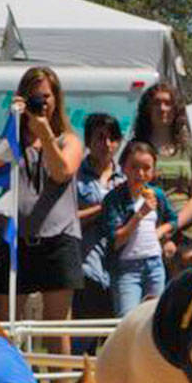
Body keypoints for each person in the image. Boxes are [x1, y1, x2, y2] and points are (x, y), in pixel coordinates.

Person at [0, 66, 84, 354]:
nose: (40, 104)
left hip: (59, 239)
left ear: (56, 99)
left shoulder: (68, 139)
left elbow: (62, 171)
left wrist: (44, 133)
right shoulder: (13, 142)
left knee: (55, 327)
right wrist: (14, 121)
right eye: (34, 98)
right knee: (7, 325)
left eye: (45, 97)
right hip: (16, 239)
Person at [130, 82, 192, 272]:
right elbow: (131, 190)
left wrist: (172, 225)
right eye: (157, 103)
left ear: (176, 109)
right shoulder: (136, 148)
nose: (162, 108)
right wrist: (161, 234)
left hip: (187, 235)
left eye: (168, 103)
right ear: (147, 109)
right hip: (147, 232)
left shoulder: (191, 148)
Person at [102, 141, 178, 316]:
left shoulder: (157, 194)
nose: (140, 173)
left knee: (155, 319)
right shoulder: (114, 199)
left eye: (146, 168)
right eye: (134, 167)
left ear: (153, 170)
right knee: (127, 319)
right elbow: (116, 239)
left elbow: (173, 220)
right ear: (124, 168)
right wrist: (139, 215)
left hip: (155, 265)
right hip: (127, 268)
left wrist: (159, 233)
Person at [73, 113, 124, 326]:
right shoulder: (75, 177)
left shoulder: (127, 177)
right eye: (100, 138)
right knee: (84, 336)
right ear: (88, 142)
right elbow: (67, 220)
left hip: (120, 267)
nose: (107, 144)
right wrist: (102, 209)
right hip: (86, 266)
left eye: (112, 138)